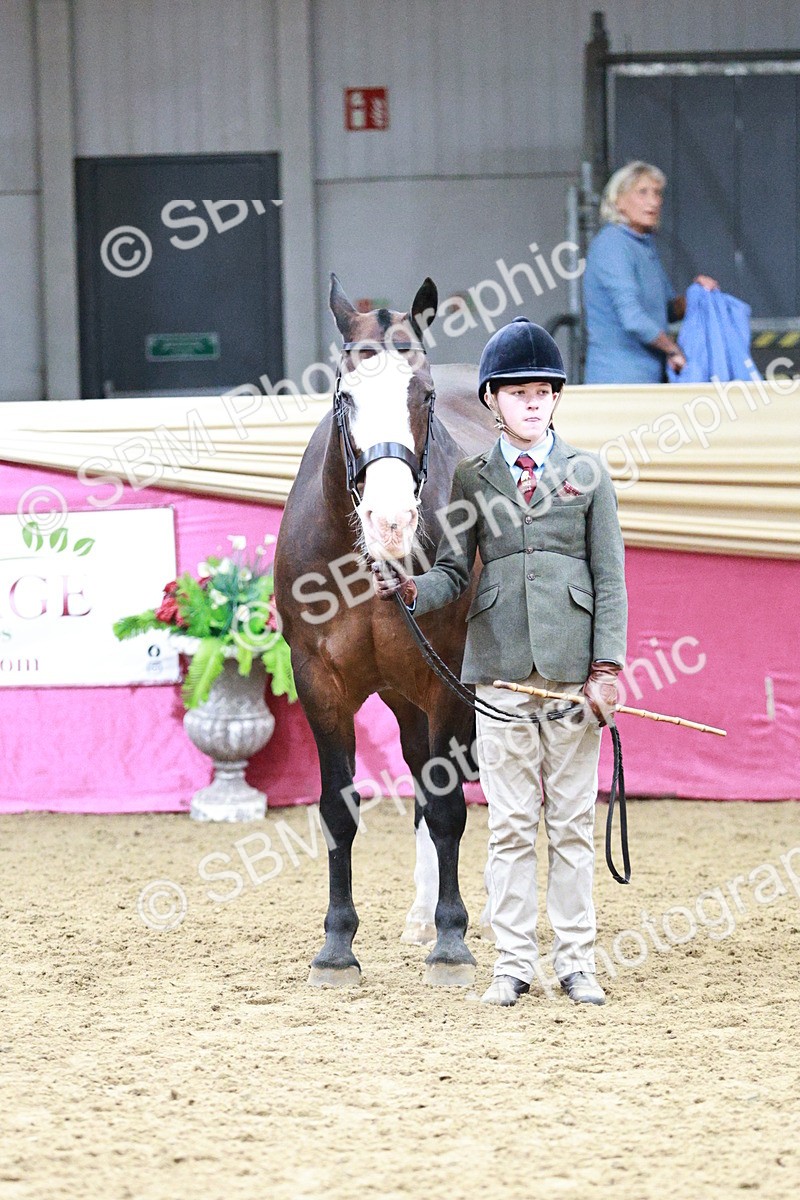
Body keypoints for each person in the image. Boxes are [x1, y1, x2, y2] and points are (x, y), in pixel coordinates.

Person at [372, 317, 627, 1007]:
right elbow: (456, 570)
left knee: (571, 825)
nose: (533, 401)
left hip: (572, 675)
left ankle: (576, 961)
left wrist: (607, 667)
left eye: (543, 390)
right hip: (502, 671)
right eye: (518, 392)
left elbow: (610, 579)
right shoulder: (473, 478)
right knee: (512, 827)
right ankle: (513, 962)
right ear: (493, 401)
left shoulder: (587, 473)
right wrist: (416, 590)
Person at [583, 160, 718, 383]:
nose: (653, 201)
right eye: (642, 192)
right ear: (618, 201)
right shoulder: (613, 244)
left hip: (647, 378)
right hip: (618, 381)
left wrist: (697, 294)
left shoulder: (642, 245)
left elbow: (668, 310)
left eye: (657, 193)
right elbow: (633, 318)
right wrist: (672, 350)